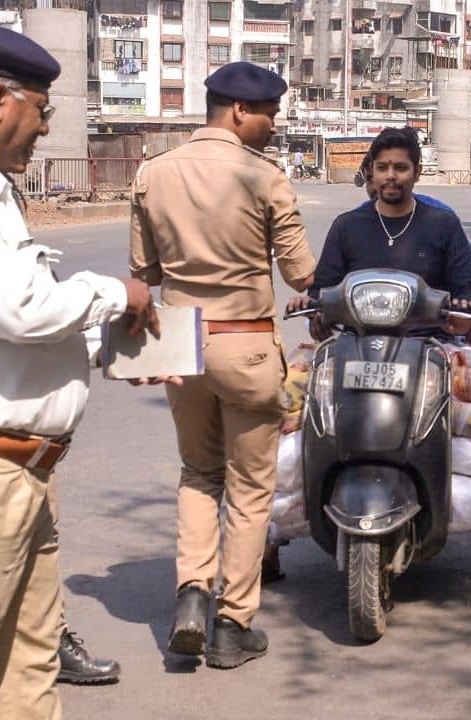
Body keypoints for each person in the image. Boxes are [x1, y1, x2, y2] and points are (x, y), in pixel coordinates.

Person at [0, 27, 157, 717]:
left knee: (27, 677)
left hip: (27, 476)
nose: (47, 126)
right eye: (41, 109)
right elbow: (19, 312)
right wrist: (117, 293)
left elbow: (12, 339)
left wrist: (116, 350)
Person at [286, 128, 471, 603]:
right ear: (370, 174)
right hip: (354, 346)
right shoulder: (348, 226)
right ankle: (269, 548)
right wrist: (312, 305)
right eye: (382, 168)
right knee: (288, 418)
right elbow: (325, 292)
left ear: (416, 171)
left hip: (432, 347)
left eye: (401, 167)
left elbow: (465, 286)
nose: (391, 177)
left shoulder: (441, 223)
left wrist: (465, 309)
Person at [129, 61, 317, 669]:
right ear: (239, 109)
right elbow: (300, 274)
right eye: (268, 114)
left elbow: (145, 275)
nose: (272, 126)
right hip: (248, 345)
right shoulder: (264, 176)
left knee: (197, 473)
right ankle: (233, 625)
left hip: (181, 346)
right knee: (248, 488)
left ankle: (191, 595)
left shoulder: (153, 172)